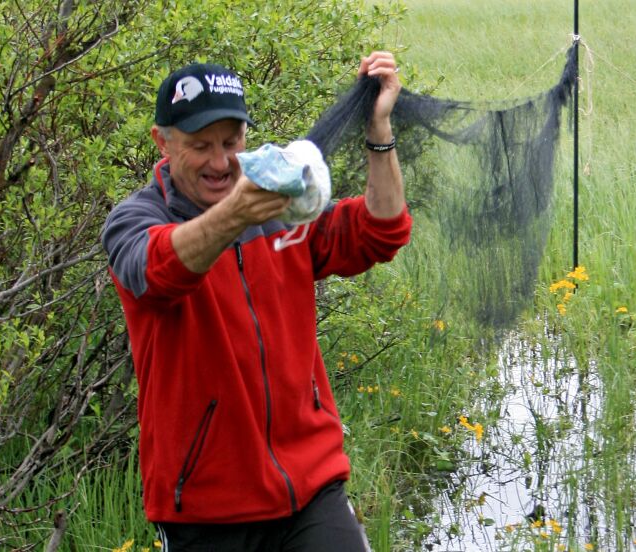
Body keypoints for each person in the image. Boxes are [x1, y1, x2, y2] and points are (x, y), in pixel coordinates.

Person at [101, 52, 410, 551]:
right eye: (201, 145)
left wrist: (379, 131)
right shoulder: (136, 219)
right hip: (205, 509)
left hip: (311, 487)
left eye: (231, 141)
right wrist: (235, 216)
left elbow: (381, 230)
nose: (221, 162)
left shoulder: (276, 204)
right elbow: (157, 271)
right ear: (163, 141)